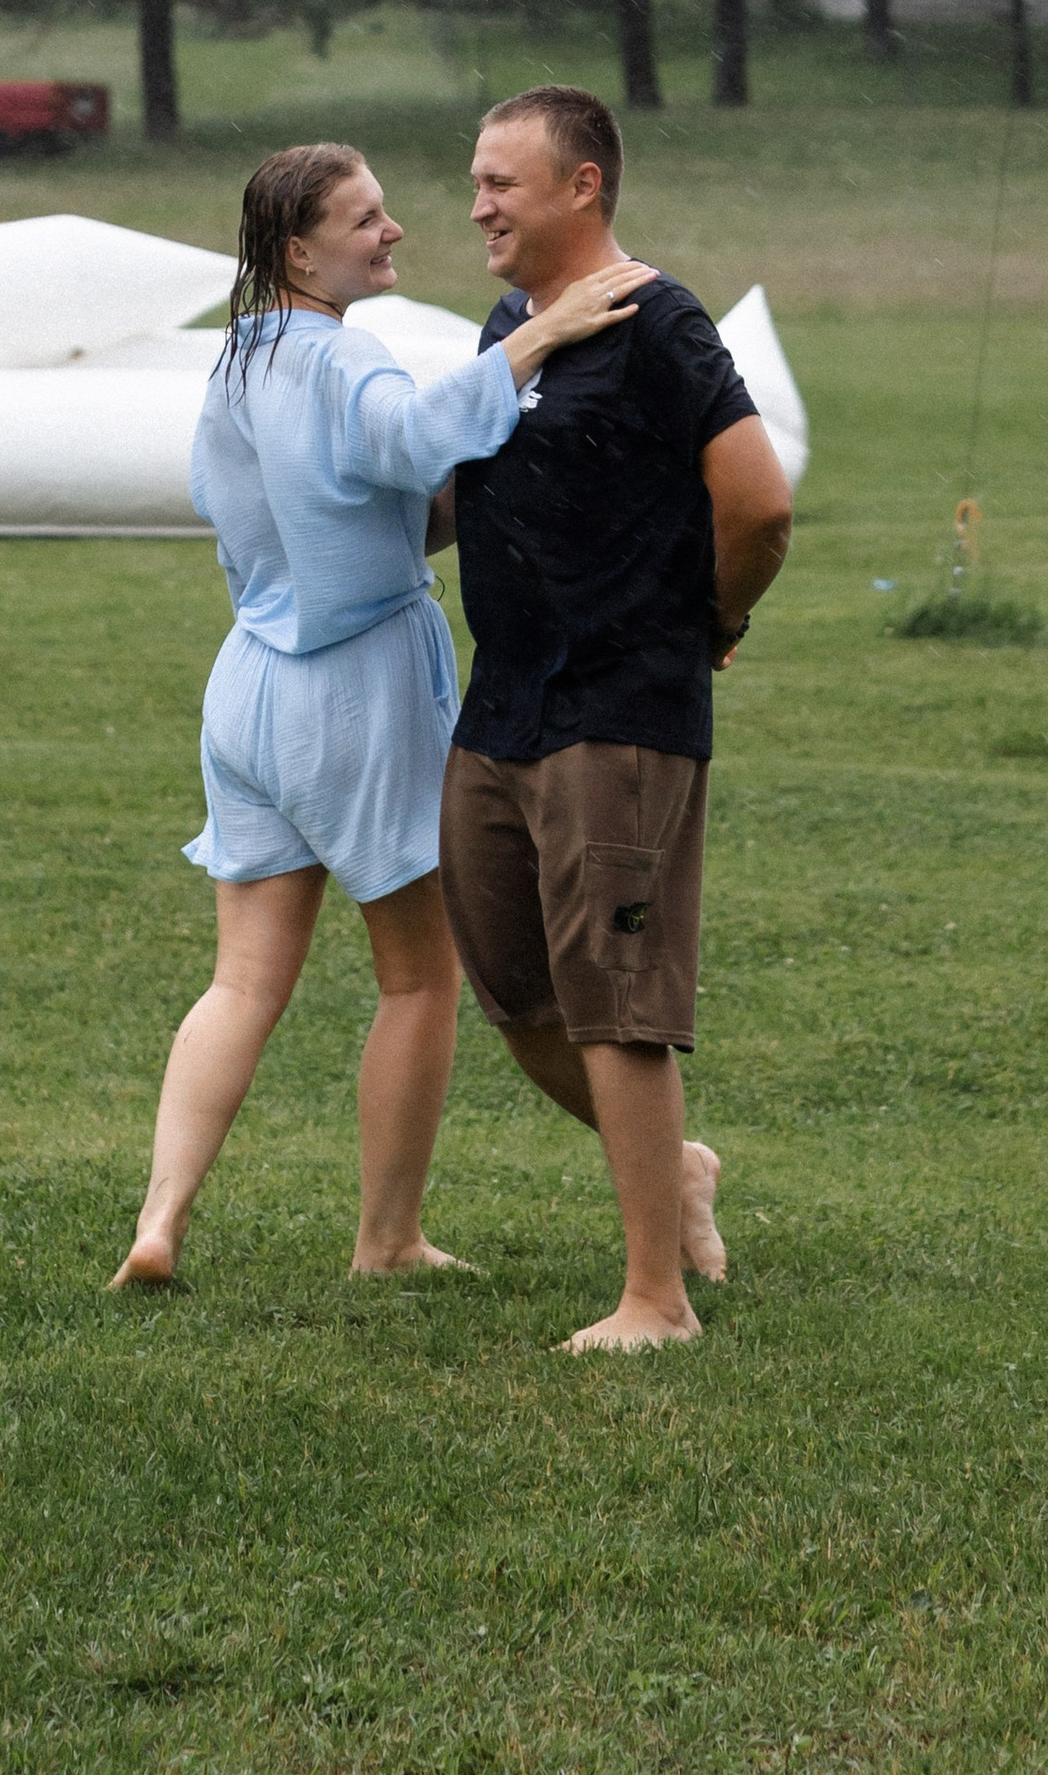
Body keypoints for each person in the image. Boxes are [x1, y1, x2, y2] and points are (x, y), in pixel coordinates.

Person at [112, 140, 654, 1290]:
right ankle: (387, 1240)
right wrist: (537, 337)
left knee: (243, 979)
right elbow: (410, 438)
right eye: (365, 219)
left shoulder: (237, 356)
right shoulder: (343, 362)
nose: (396, 228)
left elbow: (272, 500)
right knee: (419, 977)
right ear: (298, 251)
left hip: (247, 685)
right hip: (355, 686)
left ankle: (160, 1218)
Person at [439, 84, 795, 1354]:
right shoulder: (513, 323)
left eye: (502, 180)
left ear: (582, 186)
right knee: (517, 995)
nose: (477, 202)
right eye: (475, 180)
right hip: (500, 708)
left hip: (620, 708)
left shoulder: (657, 319)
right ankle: (679, 1170)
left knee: (617, 1004)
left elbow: (755, 502)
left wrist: (709, 621)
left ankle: (658, 1298)